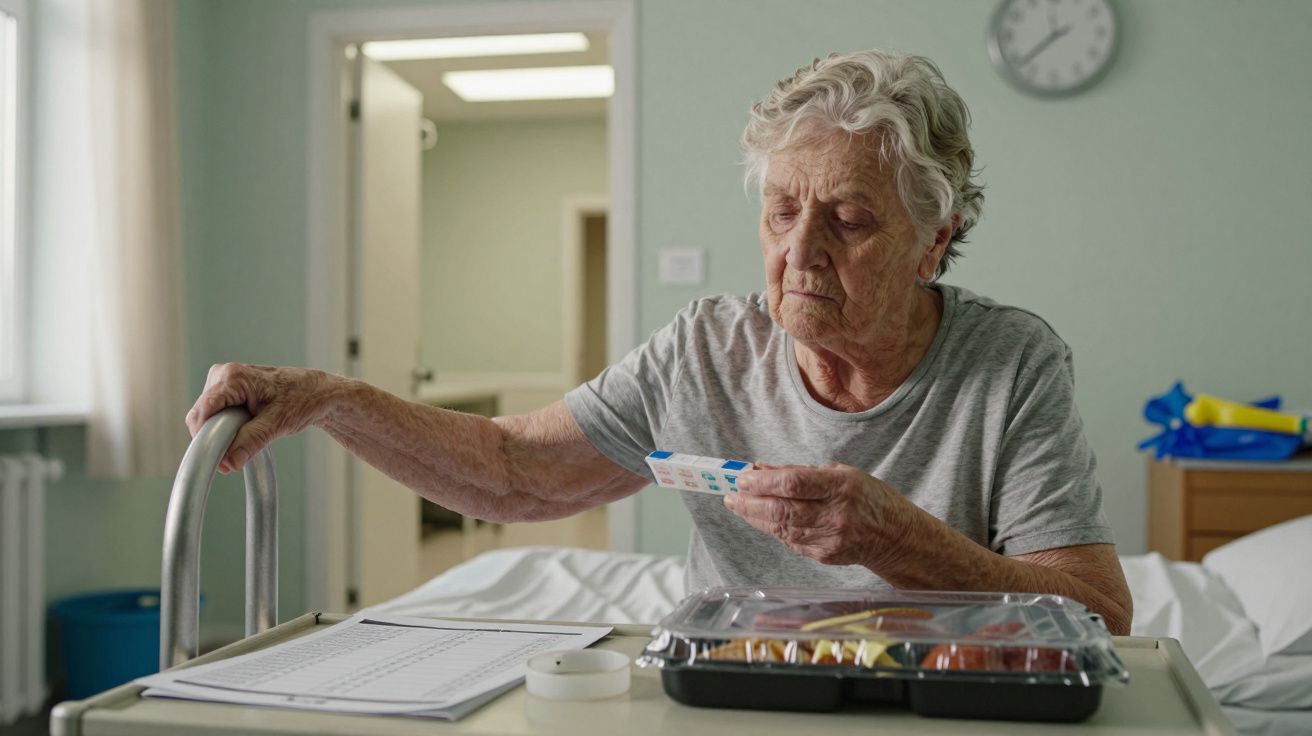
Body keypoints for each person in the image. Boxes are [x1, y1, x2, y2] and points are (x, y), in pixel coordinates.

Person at [188, 49, 1132, 634]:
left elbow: (1097, 614)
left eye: (849, 219)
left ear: (934, 239)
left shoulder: (1010, 365)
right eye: (781, 211)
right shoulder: (706, 349)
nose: (799, 251)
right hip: (734, 689)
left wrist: (898, 540)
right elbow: (514, 470)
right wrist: (335, 400)